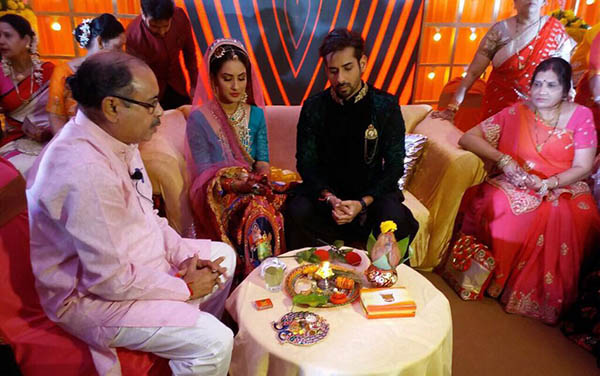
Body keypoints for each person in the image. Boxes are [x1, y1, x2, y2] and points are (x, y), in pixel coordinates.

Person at [27, 51, 235, 376]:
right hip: (90, 297)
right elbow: (109, 280)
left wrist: (184, 258)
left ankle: (183, 351)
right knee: (215, 340)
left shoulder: (118, 139)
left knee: (222, 258)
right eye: (151, 103)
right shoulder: (82, 170)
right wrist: (184, 288)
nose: (160, 113)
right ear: (112, 107)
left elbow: (148, 217)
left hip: (135, 267)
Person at [455, 57, 600, 325]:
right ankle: (494, 280)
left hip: (564, 184)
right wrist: (503, 160)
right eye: (537, 84)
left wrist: (549, 184)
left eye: (551, 85)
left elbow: (582, 166)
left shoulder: (582, 116)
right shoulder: (515, 112)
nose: (542, 91)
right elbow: (468, 137)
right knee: (507, 208)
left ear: (566, 90)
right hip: (517, 180)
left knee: (578, 217)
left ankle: (538, 296)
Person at [285, 28, 418, 250]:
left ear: (362, 64)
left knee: (395, 219)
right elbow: (306, 163)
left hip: (371, 197)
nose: (340, 79)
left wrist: (362, 203)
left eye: (348, 68)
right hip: (328, 199)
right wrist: (330, 198)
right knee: (297, 210)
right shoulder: (313, 107)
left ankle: (377, 270)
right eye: (333, 71)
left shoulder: (385, 106)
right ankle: (312, 267)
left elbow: (394, 166)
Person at [186, 38, 289, 276]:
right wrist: (238, 185)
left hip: (252, 185)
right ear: (213, 80)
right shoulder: (200, 119)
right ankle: (252, 279)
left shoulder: (256, 115)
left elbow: (262, 160)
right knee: (256, 210)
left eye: (241, 78)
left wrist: (261, 179)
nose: (236, 86)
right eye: (227, 78)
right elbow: (204, 174)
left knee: (276, 201)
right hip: (218, 193)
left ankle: (270, 274)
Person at [433, 0, 574, 124]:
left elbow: (563, 75)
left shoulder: (555, 31)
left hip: (537, 111)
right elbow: (473, 73)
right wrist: (452, 107)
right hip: (498, 105)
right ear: (515, 2)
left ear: (544, 2)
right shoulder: (500, 31)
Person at [47, 14, 125, 135]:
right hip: (73, 138)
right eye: (118, 47)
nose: (122, 53)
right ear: (100, 41)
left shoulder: (120, 70)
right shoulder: (64, 72)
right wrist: (66, 143)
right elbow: (56, 115)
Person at [0, 14, 54, 175]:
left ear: (26, 40)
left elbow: (68, 111)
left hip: (52, 139)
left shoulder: (50, 71)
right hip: (14, 142)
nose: (1, 41)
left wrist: (48, 131)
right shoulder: (0, 75)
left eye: (7, 35)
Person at [126, 0, 197, 110]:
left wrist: (194, 84)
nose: (162, 32)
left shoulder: (180, 17)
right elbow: (136, 75)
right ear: (143, 13)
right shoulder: (132, 35)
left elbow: (190, 53)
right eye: (154, 26)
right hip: (153, 93)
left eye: (166, 25)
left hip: (178, 84)